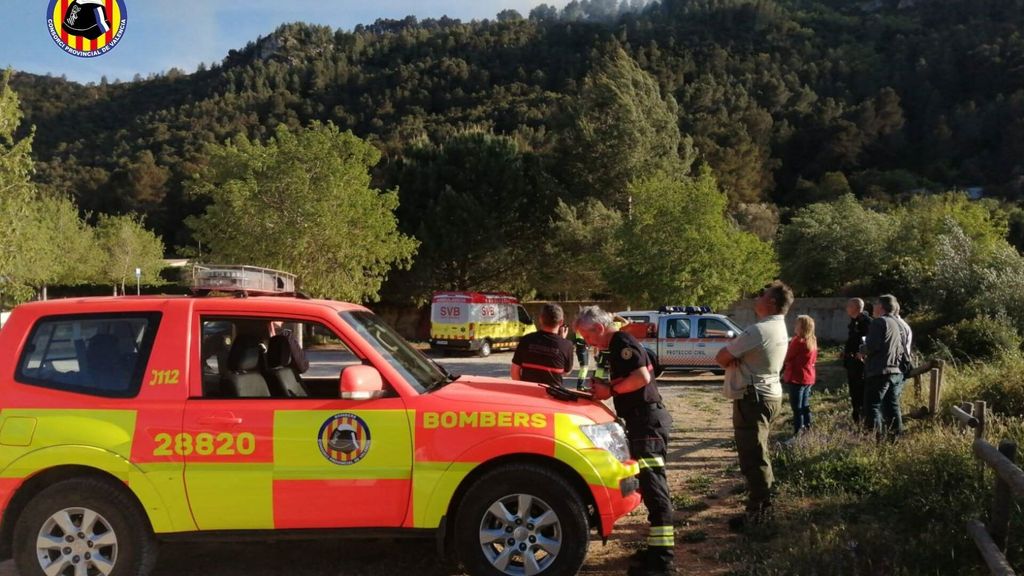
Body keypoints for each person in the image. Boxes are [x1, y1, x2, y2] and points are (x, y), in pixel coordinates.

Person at [575, 306, 674, 576]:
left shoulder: (622, 342)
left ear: (597, 328)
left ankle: (663, 559)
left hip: (648, 423)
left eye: (586, 335)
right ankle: (656, 549)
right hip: (642, 422)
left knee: (654, 488)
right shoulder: (615, 345)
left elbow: (641, 378)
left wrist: (611, 390)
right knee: (650, 486)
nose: (585, 341)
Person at [715, 280, 793, 531]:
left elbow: (721, 357)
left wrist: (734, 359)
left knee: (753, 457)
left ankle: (759, 513)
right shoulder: (779, 326)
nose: (757, 298)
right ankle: (762, 507)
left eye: (763, 295)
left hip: (753, 398)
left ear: (771, 302)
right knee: (759, 453)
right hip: (769, 395)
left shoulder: (757, 330)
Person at [861, 294, 908, 441]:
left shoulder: (879, 322)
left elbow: (873, 346)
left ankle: (874, 440)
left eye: (875, 304)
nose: (873, 307)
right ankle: (896, 438)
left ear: (881, 306)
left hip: (879, 370)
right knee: (891, 406)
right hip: (895, 370)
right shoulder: (900, 323)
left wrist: (862, 349)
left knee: (872, 406)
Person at [510, 303, 575, 388]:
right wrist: (562, 340)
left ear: (540, 319)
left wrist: (522, 389)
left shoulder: (526, 340)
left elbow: (514, 371)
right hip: (552, 396)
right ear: (561, 322)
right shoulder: (567, 346)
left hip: (528, 394)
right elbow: (566, 371)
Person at [784, 315, 818, 437]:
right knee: (804, 406)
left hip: (797, 377)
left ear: (802, 327)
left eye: (797, 324)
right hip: (808, 377)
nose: (794, 326)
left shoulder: (797, 341)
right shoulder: (812, 340)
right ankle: (807, 429)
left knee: (796, 408)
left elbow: (787, 357)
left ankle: (798, 433)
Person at [843, 298, 871, 424]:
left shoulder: (866, 322)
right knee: (854, 392)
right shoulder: (854, 321)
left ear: (856, 307)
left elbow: (867, 341)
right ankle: (857, 419)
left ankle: (863, 419)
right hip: (852, 362)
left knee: (860, 392)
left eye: (849, 306)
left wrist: (862, 353)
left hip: (860, 364)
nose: (846, 308)